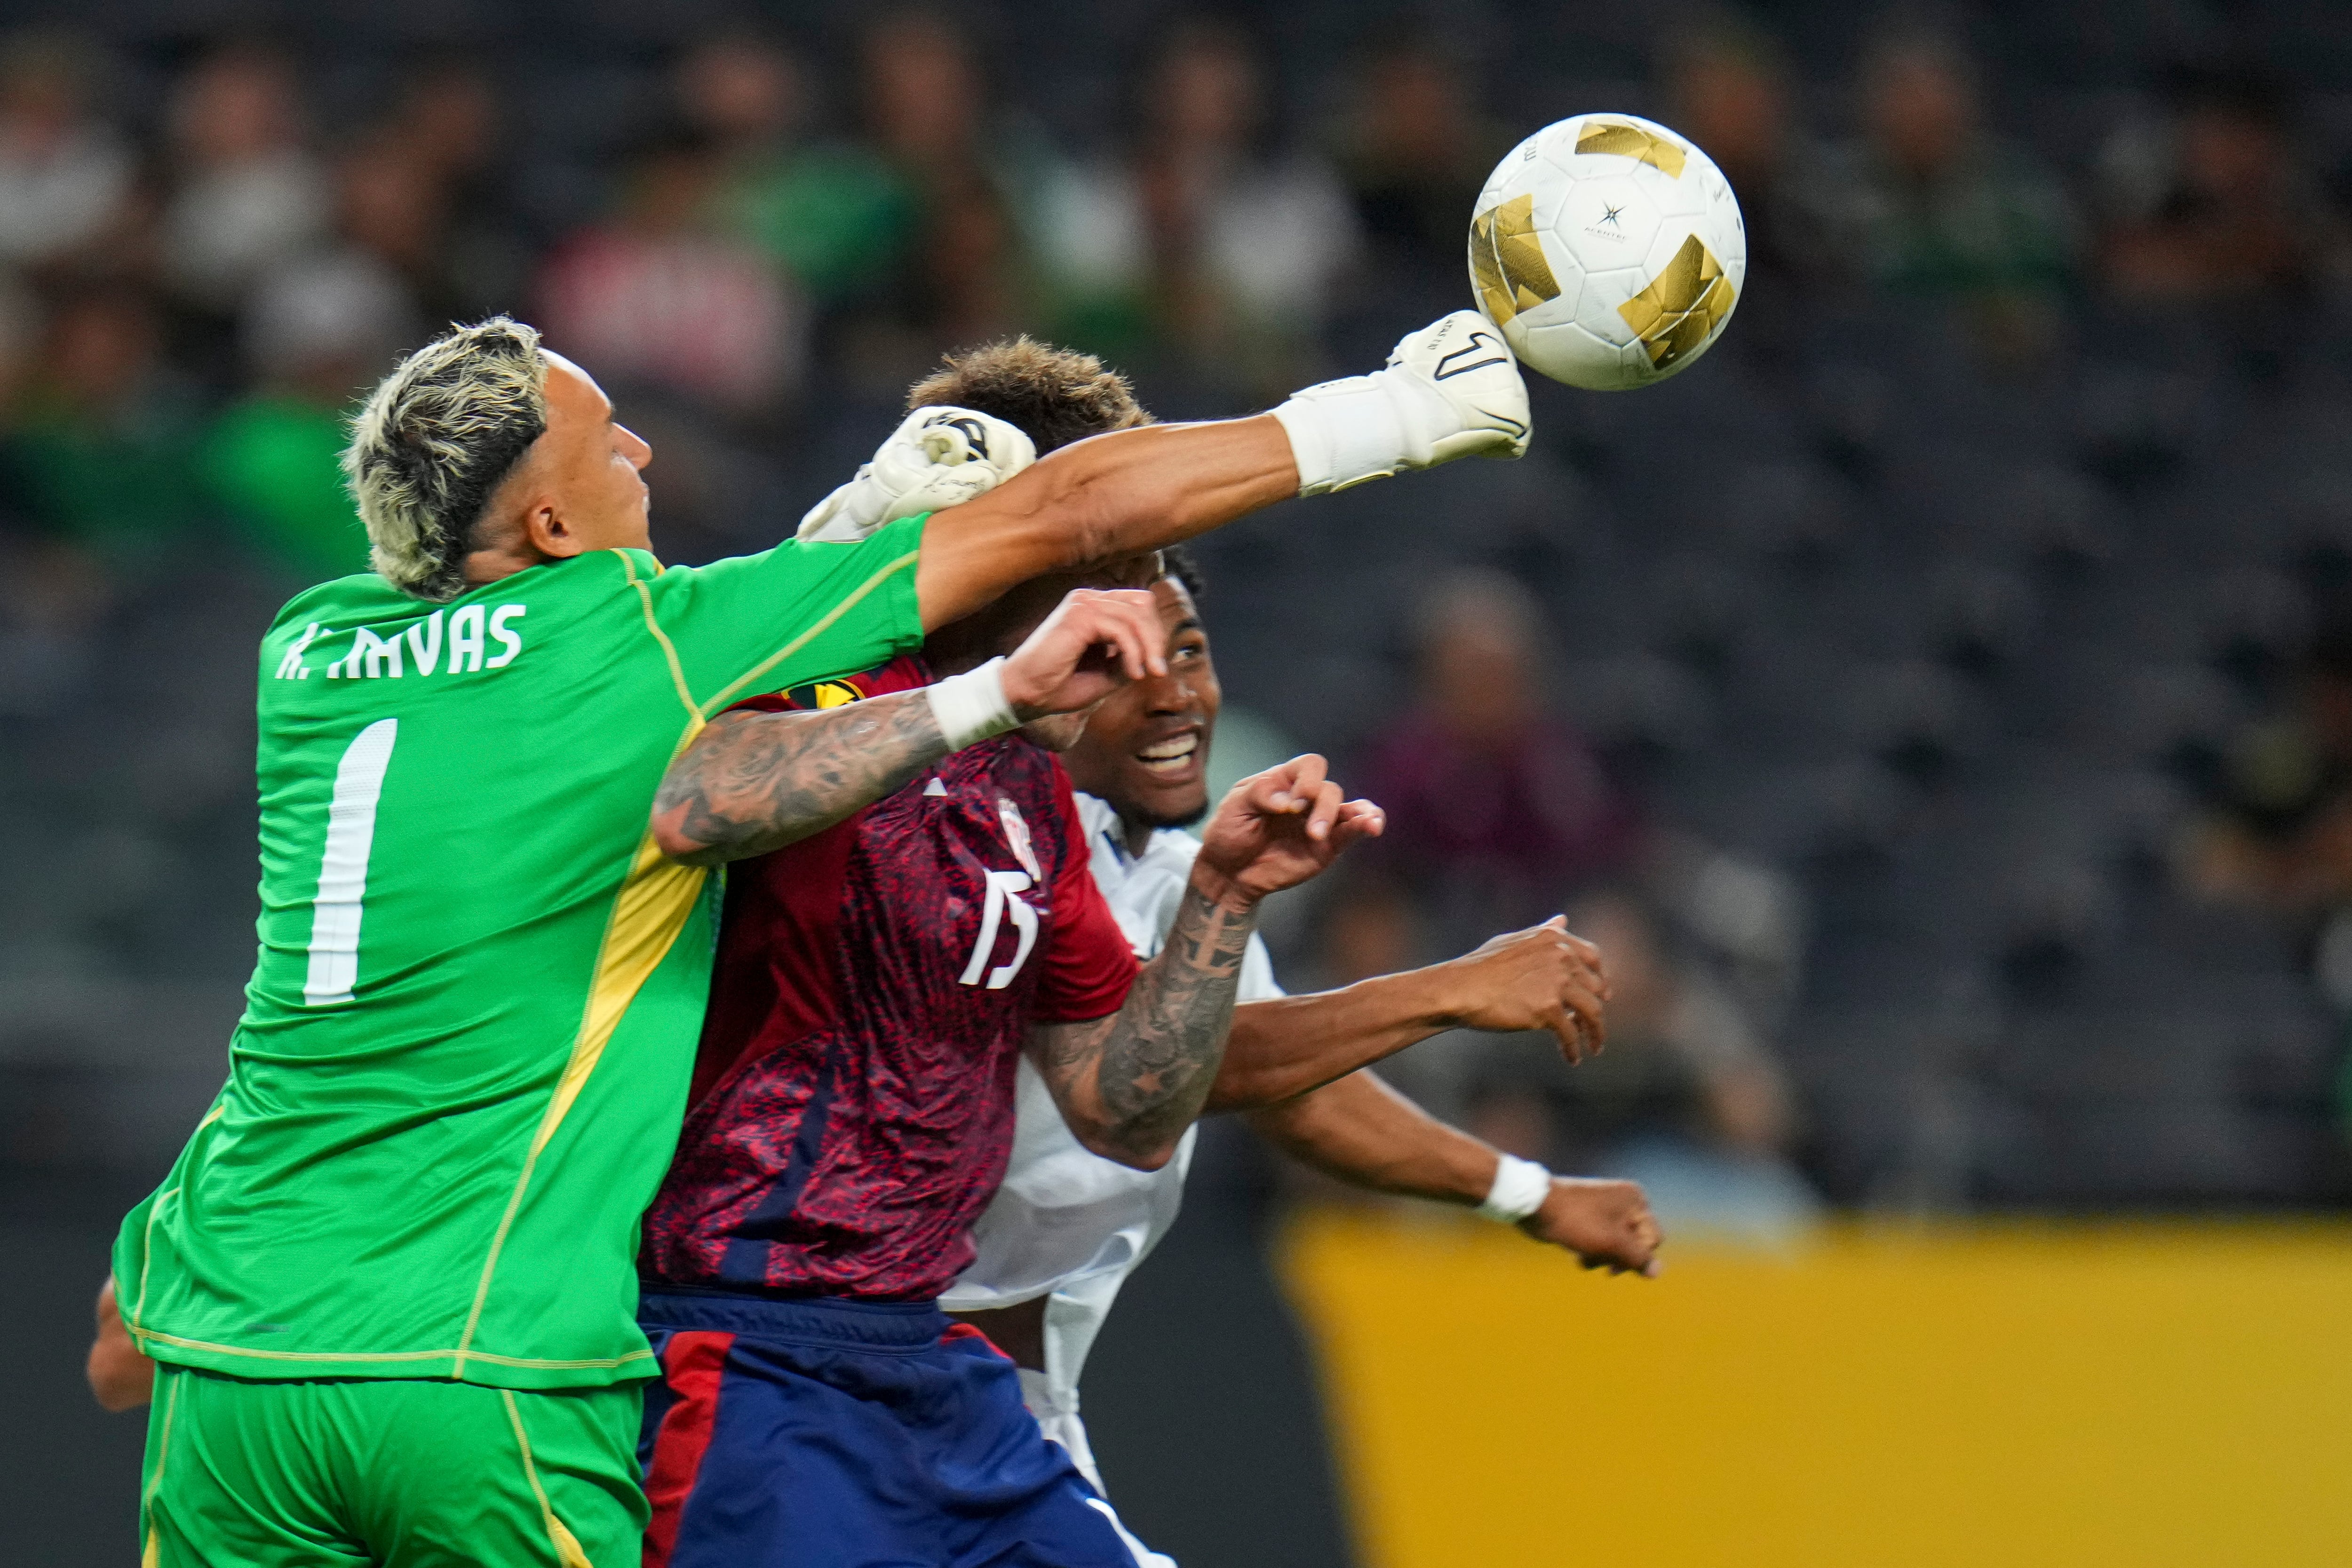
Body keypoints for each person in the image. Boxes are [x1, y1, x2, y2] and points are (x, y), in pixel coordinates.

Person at [109, 305, 1535, 1567]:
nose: (648, 461)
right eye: (611, 448)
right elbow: (1056, 518)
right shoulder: (642, 638)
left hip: (231, 1337)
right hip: (489, 1356)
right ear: (549, 530)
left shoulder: (307, 651)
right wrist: (1402, 412)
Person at [946, 542, 1666, 1511]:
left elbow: (1300, 1089)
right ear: (1038, 684)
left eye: (1190, 654)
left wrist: (1526, 1191)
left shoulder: (1161, 869)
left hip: (1007, 1404)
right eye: (1118, 665)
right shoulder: (992, 845)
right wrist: (1445, 989)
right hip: (863, 1368)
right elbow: (1151, 1076)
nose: (1173, 696)